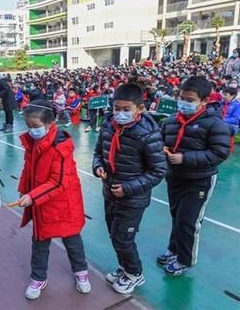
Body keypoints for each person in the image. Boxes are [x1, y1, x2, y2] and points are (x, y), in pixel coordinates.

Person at [92, 83, 167, 294]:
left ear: (140, 109)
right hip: (110, 192)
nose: (120, 114)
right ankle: (125, 267)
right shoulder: (108, 126)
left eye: (126, 110)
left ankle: (135, 273)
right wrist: (98, 167)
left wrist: (128, 188)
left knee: (124, 238)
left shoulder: (147, 134)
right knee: (114, 234)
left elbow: (158, 170)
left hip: (133, 198)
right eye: (117, 108)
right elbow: (99, 152)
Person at [18, 100, 90, 300]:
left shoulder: (61, 147)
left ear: (50, 123)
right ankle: (38, 277)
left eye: (36, 126)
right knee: (40, 241)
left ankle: (81, 272)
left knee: (72, 239)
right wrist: (24, 188)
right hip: (40, 203)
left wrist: (32, 196)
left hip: (63, 204)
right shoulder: (32, 143)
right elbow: (28, 169)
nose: (32, 131)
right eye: (29, 126)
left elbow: (58, 183)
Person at [160, 76, 230, 276]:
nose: (184, 103)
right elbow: (161, 141)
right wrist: (162, 149)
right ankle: (174, 249)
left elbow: (219, 153)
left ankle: (185, 259)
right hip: (175, 177)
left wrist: (185, 158)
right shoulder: (172, 121)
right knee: (176, 216)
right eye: (181, 98)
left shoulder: (214, 124)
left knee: (188, 221)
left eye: (190, 100)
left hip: (200, 179)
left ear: (204, 101)